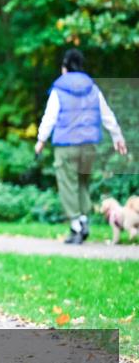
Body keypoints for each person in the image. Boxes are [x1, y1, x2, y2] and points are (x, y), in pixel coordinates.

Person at [34, 49, 127, 244]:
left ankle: (76, 225)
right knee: (83, 183)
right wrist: (117, 136)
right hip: (89, 146)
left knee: (67, 184)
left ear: (64, 68)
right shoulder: (92, 88)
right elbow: (106, 114)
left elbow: (50, 117)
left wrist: (41, 140)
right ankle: (84, 220)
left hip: (66, 146)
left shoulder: (59, 89)